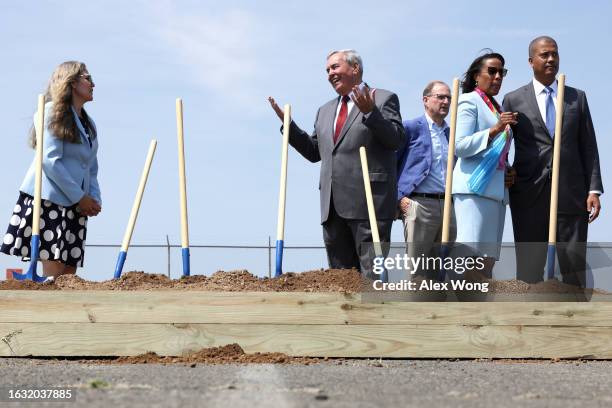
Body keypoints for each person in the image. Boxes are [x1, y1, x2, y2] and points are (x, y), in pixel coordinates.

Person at [268, 49, 405, 274]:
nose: (330, 73)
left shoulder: (382, 98)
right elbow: (315, 152)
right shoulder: (325, 111)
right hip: (332, 207)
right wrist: (289, 127)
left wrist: (371, 113)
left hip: (368, 203)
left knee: (372, 277)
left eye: (335, 67)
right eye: (327, 70)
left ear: (355, 68)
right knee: (340, 279)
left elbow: (395, 140)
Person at [502, 36, 603, 287]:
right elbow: (502, 145)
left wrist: (593, 189)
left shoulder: (576, 98)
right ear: (530, 61)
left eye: (554, 54)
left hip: (571, 193)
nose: (550, 59)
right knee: (529, 268)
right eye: (544, 54)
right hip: (528, 192)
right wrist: (504, 170)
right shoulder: (513, 99)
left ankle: (574, 320)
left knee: (572, 266)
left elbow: (588, 145)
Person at [1, 61, 101, 279]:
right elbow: (49, 159)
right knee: (53, 272)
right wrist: (79, 197)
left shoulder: (88, 123)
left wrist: (93, 198)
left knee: (68, 277)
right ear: (72, 82)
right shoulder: (51, 111)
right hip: (50, 200)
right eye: (88, 78)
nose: (93, 84)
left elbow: (91, 167)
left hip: (77, 205)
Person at [452, 51, 517, 278]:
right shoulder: (469, 100)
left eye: (502, 72)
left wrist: (508, 170)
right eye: (492, 71)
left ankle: (479, 310)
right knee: (467, 257)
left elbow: (498, 153)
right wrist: (496, 129)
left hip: (496, 192)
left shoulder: (496, 107)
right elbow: (459, 146)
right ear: (476, 76)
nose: (498, 76)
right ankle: (456, 307)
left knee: (486, 262)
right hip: (473, 190)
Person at [396, 81, 456, 279]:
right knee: (418, 268)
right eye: (441, 97)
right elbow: (391, 165)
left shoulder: (453, 133)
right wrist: (399, 198)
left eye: (449, 98)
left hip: (448, 206)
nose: (446, 101)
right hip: (419, 204)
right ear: (425, 100)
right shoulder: (410, 128)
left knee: (444, 268)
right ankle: (416, 308)